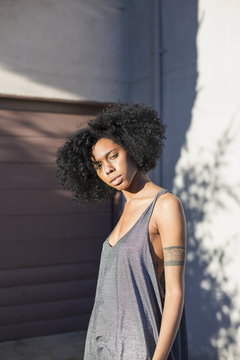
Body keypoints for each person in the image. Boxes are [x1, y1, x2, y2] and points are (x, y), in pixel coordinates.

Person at [56, 102, 189, 360]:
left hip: (141, 345)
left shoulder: (165, 205)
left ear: (133, 147)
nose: (107, 169)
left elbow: (175, 292)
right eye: (97, 164)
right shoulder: (126, 208)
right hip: (102, 344)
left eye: (113, 155)